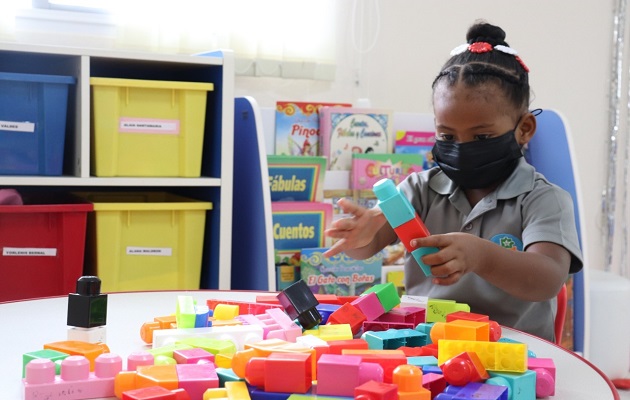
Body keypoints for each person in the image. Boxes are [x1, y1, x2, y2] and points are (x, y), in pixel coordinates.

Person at [324, 21, 583, 342]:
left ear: (524, 129)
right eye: (447, 135)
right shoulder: (419, 189)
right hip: (430, 347)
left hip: (514, 353)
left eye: (482, 135)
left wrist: (482, 256)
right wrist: (358, 236)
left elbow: (547, 279)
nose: (462, 148)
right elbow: (371, 243)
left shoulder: (544, 199)